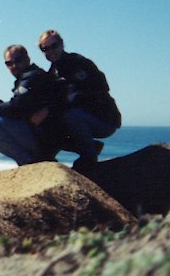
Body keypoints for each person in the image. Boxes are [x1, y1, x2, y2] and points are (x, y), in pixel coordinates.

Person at [37, 29, 121, 171]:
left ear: (62, 44)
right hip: (81, 119)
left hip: (103, 118)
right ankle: (86, 149)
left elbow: (101, 86)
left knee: (70, 115)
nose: (51, 51)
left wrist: (74, 97)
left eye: (54, 46)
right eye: (45, 48)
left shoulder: (78, 63)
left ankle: (89, 157)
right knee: (47, 125)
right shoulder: (52, 73)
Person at [0, 45, 62, 166]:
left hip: (45, 139)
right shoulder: (26, 78)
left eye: (18, 60)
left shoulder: (33, 76)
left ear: (27, 59)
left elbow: (15, 107)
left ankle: (29, 164)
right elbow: (20, 111)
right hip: (42, 138)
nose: (14, 66)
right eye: (9, 63)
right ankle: (34, 163)